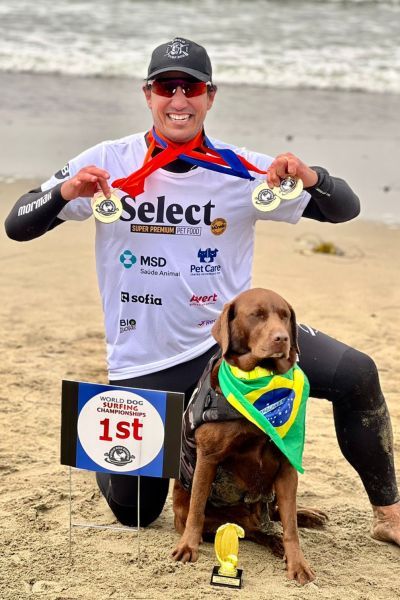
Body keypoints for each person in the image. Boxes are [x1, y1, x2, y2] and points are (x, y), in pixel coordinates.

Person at [5, 37, 399, 546]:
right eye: (166, 87)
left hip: (229, 352)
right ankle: (168, 449)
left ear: (210, 96)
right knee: (135, 512)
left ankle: (389, 514)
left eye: (191, 88)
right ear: (147, 94)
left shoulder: (243, 169)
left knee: (356, 373)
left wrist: (310, 176)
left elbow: (344, 208)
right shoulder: (107, 161)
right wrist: (64, 193)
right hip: (145, 363)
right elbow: (18, 224)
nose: (179, 99)